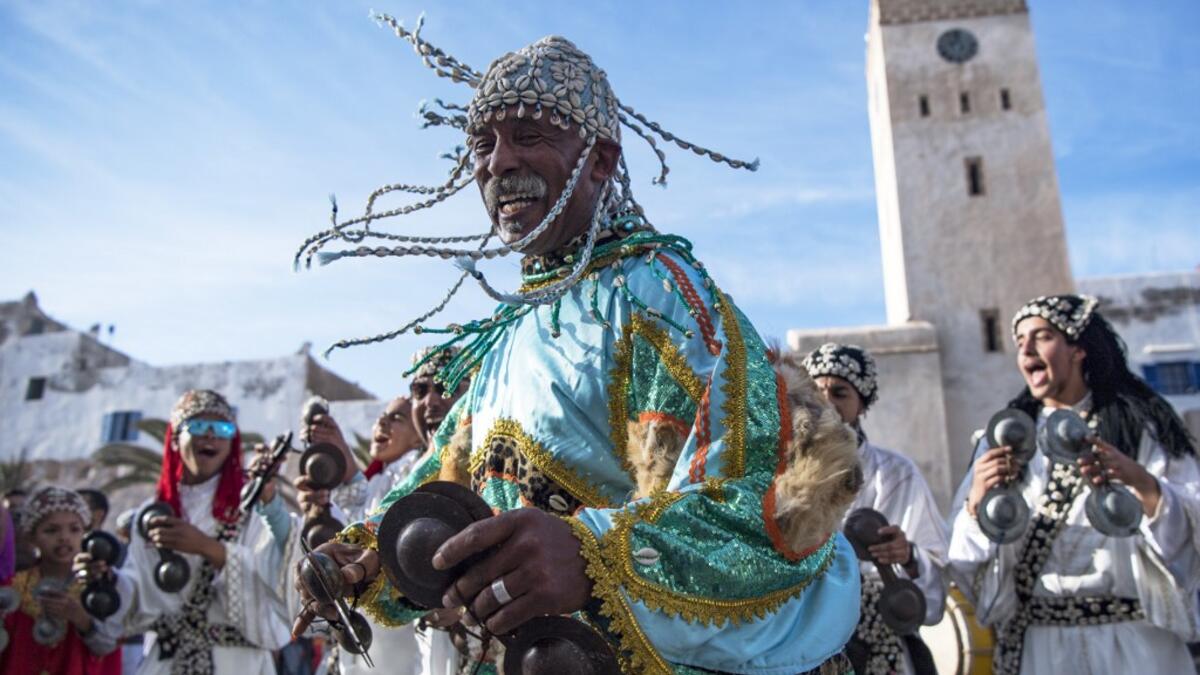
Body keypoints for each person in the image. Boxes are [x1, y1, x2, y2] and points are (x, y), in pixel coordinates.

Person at [291, 18, 862, 674]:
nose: (498, 162)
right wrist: (367, 556)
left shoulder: (660, 296)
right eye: (483, 144)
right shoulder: (512, 334)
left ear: (600, 160)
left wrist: (592, 555)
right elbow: (446, 488)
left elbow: (759, 504)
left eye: (528, 136)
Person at [948, 294, 1200, 674]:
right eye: (1020, 342)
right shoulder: (1003, 439)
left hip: (1134, 645)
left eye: (1042, 337)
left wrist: (1143, 484)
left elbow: (1192, 522)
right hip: (1041, 648)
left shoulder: (1137, 427)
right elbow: (966, 565)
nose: (1027, 349)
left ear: (1078, 349)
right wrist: (976, 504)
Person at [77, 389, 296, 675]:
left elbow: (276, 580)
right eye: (197, 426)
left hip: (237, 663)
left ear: (232, 442)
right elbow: (140, 595)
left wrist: (212, 550)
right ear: (176, 440)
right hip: (168, 660)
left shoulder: (251, 508)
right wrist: (108, 579)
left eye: (222, 428)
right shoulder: (153, 514)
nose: (210, 435)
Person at [296, 347, 468, 675]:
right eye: (420, 390)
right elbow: (384, 523)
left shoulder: (495, 455)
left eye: (447, 388)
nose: (431, 401)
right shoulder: (411, 477)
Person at [802, 343, 947, 675]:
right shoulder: (778, 475)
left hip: (881, 644)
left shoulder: (896, 473)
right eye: (817, 392)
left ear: (862, 404)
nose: (827, 403)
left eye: (840, 393)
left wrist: (907, 555)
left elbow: (936, 577)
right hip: (802, 644)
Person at [0, 485, 121, 675]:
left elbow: (109, 647)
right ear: (31, 537)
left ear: (85, 533)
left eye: (74, 529)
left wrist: (81, 619)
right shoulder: (14, 587)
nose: (64, 537)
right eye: (51, 530)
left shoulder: (99, 586)